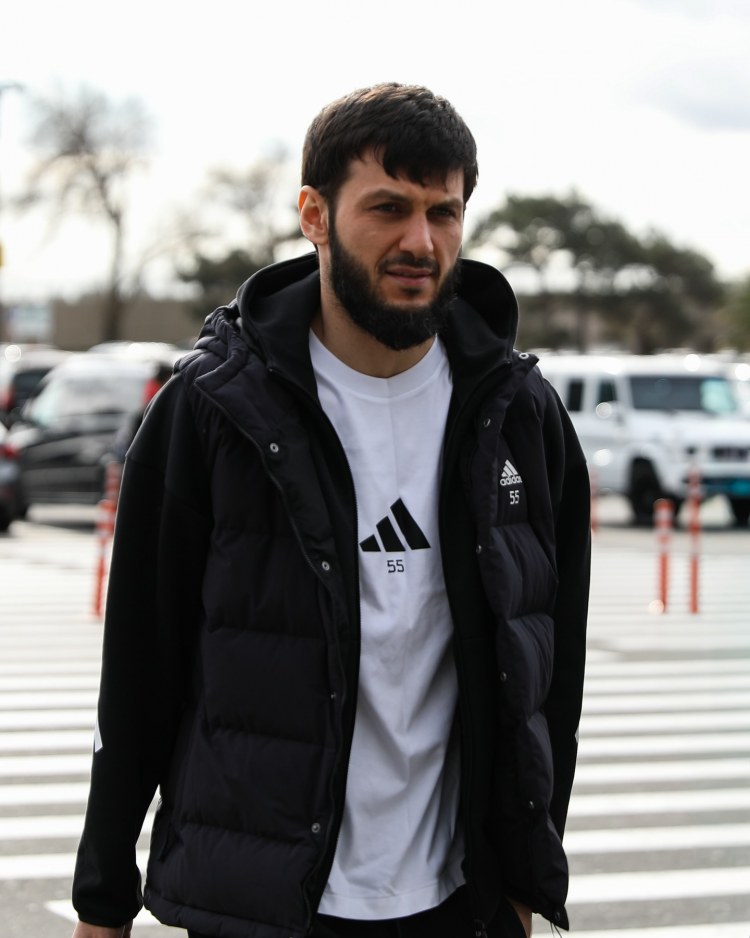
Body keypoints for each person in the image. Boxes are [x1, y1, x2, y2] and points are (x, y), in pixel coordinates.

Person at [71, 83, 590, 938]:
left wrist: (526, 881)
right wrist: (102, 902)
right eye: (388, 208)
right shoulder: (214, 410)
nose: (421, 241)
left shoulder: (519, 416)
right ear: (314, 214)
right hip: (262, 904)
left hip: (458, 902)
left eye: (444, 212)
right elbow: (139, 670)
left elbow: (550, 677)